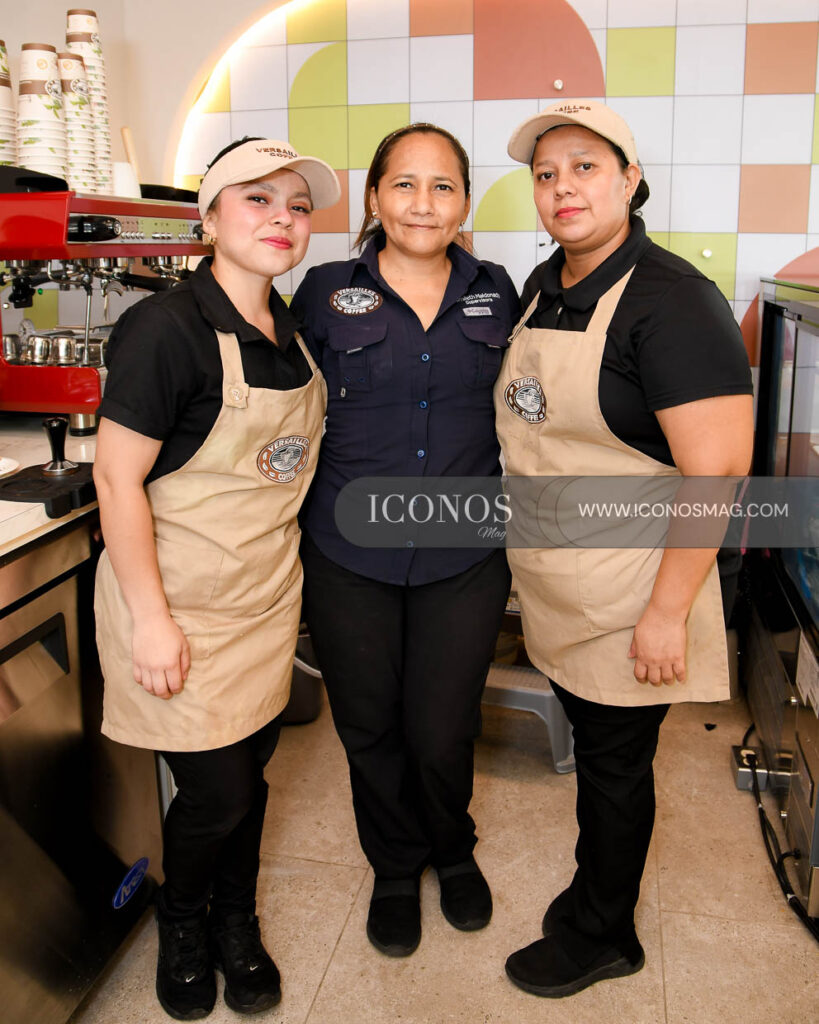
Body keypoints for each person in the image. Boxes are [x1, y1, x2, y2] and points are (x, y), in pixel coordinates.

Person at [495, 101, 754, 998]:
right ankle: (590, 898)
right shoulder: (545, 286)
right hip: (561, 581)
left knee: (613, 769)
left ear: (630, 180)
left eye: (584, 167)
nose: (561, 187)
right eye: (544, 173)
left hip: (635, 587)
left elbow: (716, 473)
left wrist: (664, 615)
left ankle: (603, 934)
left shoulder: (672, 301)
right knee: (600, 759)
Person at [93, 137, 340, 1020]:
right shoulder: (166, 329)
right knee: (217, 791)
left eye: (297, 206)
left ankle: (238, 920)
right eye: (257, 199)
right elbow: (115, 479)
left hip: (263, 603)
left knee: (251, 776)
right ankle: (184, 922)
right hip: (181, 606)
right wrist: (151, 620)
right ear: (208, 217)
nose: (283, 219)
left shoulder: (291, 334)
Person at [290, 124, 518, 957]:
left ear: (464, 203)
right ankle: (393, 866)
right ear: (374, 197)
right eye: (405, 184)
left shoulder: (499, 291)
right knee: (368, 722)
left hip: (464, 551)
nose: (423, 203)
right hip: (347, 550)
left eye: (442, 186)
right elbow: (280, 407)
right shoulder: (321, 291)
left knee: (442, 724)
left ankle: (452, 851)